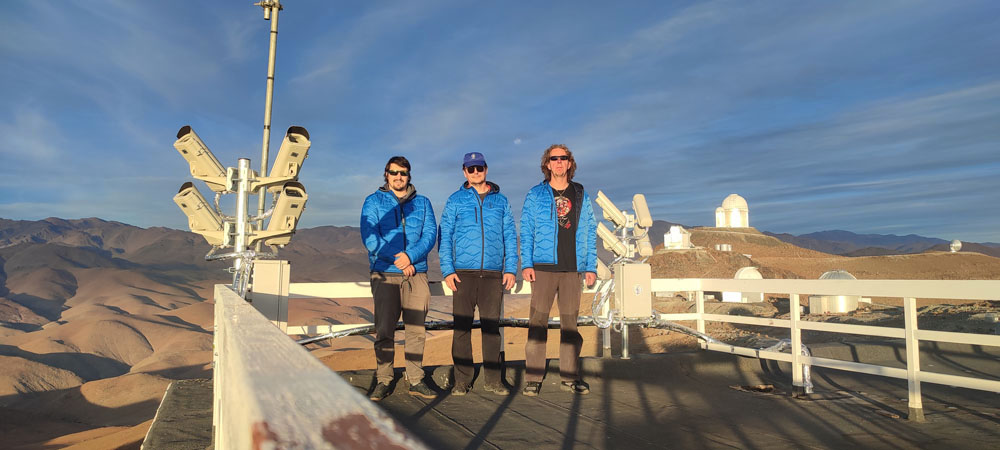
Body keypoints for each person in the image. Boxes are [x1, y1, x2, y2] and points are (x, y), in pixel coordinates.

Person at [519, 144, 597, 396]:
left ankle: (570, 376)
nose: (559, 162)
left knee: (570, 325)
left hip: (572, 268)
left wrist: (590, 266)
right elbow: (526, 230)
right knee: (537, 323)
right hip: (543, 268)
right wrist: (527, 263)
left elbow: (589, 230)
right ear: (547, 164)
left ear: (570, 163)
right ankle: (533, 377)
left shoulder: (580, 193)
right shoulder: (536, 194)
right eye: (554, 158)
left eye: (563, 158)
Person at [438, 152, 518, 396]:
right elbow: (445, 236)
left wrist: (510, 268)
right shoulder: (455, 200)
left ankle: (493, 380)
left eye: (479, 168)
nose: (475, 172)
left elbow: (510, 235)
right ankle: (462, 380)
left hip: (493, 274)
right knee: (461, 329)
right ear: (464, 172)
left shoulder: (501, 201)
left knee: (492, 330)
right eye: (470, 169)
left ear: (486, 169)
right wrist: (448, 269)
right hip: (463, 274)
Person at [360, 156, 437, 401]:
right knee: (384, 329)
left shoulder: (423, 203)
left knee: (416, 330)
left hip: (416, 273)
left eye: (403, 172)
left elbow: (430, 234)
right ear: (386, 174)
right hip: (385, 273)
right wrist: (399, 259)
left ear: (409, 175)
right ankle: (384, 379)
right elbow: (370, 236)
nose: (398, 177)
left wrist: (410, 257)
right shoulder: (373, 201)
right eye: (394, 172)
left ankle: (415, 378)